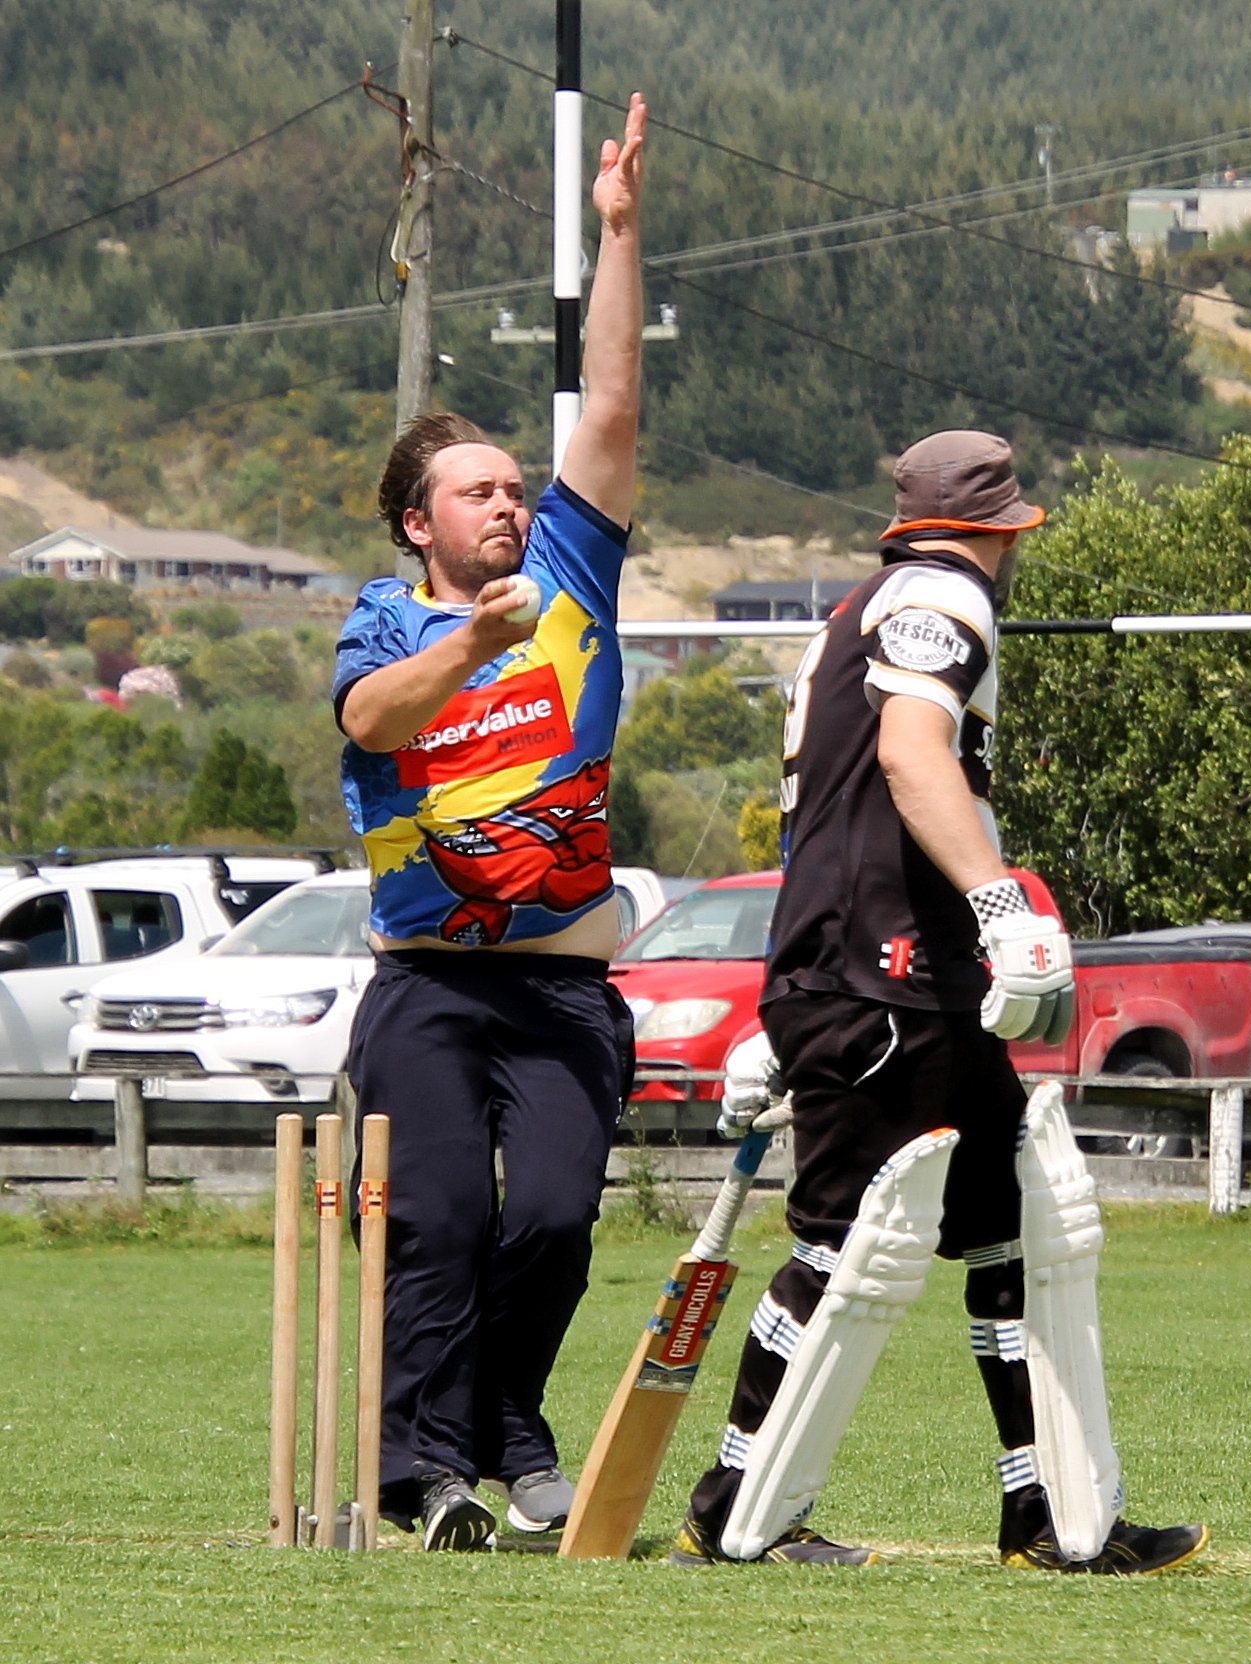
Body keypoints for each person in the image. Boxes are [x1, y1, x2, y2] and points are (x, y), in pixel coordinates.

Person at [672, 430, 1208, 1575]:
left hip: (890, 970)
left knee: (1024, 1227)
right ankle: (734, 1511)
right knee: (841, 1248)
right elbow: (917, 757)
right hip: (884, 973)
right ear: (1000, 529)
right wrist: (1003, 904)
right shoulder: (942, 595)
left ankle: (1052, 1515)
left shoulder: (865, 601)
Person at [329, 95, 646, 1550]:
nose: (510, 503)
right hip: (431, 989)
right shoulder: (385, 619)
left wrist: (621, 236)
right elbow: (368, 725)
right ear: (418, 522)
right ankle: (428, 1472)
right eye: (478, 491)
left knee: (553, 1220)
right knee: (440, 1224)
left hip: (568, 984)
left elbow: (615, 407)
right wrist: (472, 644)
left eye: (518, 487)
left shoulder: (576, 572)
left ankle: (506, 1429)